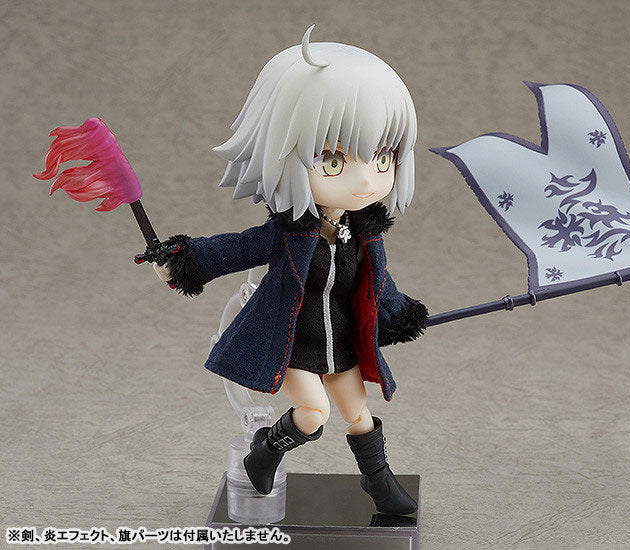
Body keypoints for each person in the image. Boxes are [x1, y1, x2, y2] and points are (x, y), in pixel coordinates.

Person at [148, 26, 426, 516]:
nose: (367, 179)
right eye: (333, 161)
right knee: (314, 414)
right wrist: (185, 261)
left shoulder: (363, 233)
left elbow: (377, 284)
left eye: (383, 157)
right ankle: (266, 451)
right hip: (293, 343)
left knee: (359, 413)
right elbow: (237, 248)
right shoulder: (290, 233)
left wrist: (401, 315)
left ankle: (378, 483)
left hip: (341, 344)